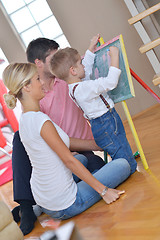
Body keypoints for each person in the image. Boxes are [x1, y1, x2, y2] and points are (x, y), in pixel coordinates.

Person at [3, 62, 131, 229]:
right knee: (123, 165)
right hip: (66, 205)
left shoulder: (26, 119)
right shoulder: (42, 121)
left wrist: (97, 145)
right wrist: (104, 191)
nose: (42, 83)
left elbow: (65, 142)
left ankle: (38, 208)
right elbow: (69, 160)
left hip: (44, 197)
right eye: (37, 79)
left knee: (83, 161)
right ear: (26, 87)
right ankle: (49, 205)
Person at [11, 35, 106, 235]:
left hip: (80, 151)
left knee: (97, 169)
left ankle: (37, 207)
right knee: (19, 138)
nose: (59, 59)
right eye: (53, 57)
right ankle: (27, 207)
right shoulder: (35, 100)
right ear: (38, 64)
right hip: (60, 156)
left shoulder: (67, 78)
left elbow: (85, 64)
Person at [50, 46, 137, 174]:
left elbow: (87, 68)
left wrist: (91, 48)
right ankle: (126, 171)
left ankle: (124, 165)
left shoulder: (75, 87)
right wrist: (114, 57)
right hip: (106, 122)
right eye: (80, 63)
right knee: (122, 151)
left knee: (119, 147)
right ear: (73, 70)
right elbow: (110, 82)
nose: (83, 66)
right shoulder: (83, 89)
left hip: (101, 123)